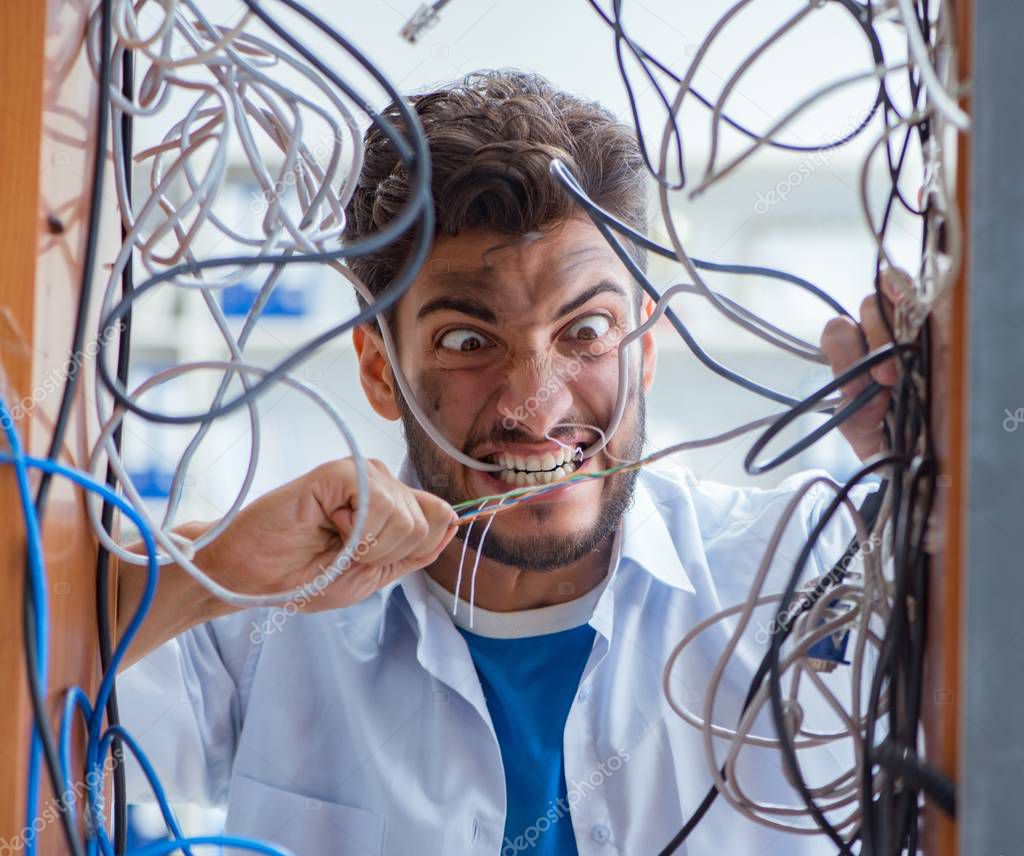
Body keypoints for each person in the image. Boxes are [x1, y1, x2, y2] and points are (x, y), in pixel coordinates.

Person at [118, 70, 900, 855]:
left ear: (647, 348)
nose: (535, 404)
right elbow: (31, 739)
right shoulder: (263, 616)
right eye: (468, 341)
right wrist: (209, 577)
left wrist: (955, 489)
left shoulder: (812, 566)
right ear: (380, 371)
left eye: (586, 330)